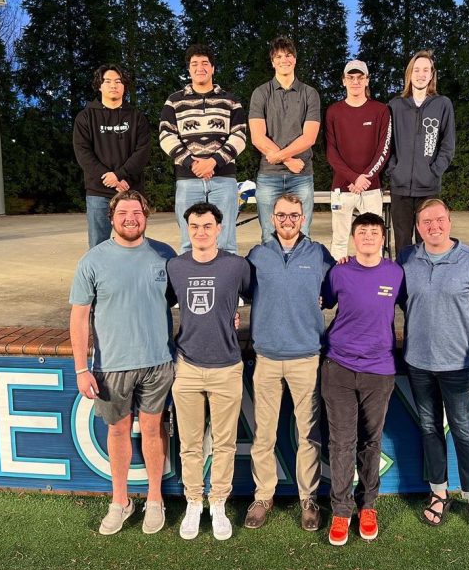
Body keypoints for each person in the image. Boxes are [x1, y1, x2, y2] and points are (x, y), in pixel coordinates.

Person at [69, 190, 176, 535]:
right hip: (111, 365)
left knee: (152, 429)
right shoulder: (93, 260)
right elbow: (79, 317)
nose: (131, 218)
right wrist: (81, 368)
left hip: (158, 362)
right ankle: (120, 501)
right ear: (112, 217)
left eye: (137, 212)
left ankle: (155, 499)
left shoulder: (164, 255)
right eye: (123, 212)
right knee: (117, 430)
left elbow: (185, 299)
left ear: (146, 216)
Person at [399, 198, 469, 536]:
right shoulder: (407, 259)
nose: (434, 227)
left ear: (450, 222)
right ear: (418, 227)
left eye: (439, 220)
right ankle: (438, 492)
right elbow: (385, 292)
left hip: (458, 364)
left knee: (463, 430)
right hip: (418, 363)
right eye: (426, 221)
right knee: (429, 428)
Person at [244, 194, 334, 532]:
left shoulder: (319, 255)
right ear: (272, 217)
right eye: (281, 214)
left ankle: (307, 498)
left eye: (293, 215)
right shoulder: (258, 255)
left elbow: (335, 291)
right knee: (263, 434)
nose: (287, 220)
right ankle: (263, 496)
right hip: (267, 357)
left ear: (303, 217)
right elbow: (243, 293)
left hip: (306, 357)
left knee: (308, 435)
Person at [165, 202, 251, 541]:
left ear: (219, 228)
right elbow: (166, 300)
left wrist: (234, 316)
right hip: (187, 365)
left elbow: (256, 294)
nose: (200, 232)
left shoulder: (236, 266)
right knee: (189, 443)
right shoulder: (176, 266)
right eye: (194, 226)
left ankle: (217, 503)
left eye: (207, 226)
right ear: (188, 229)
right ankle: (192, 501)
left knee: (225, 443)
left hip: (227, 366)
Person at [320, 213, 403, 546]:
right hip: (338, 367)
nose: (368, 236)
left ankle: (367, 506)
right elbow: (324, 301)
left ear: (382, 238)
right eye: (362, 232)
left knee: (371, 441)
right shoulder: (339, 272)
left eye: (374, 231)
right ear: (353, 238)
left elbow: (413, 307)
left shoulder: (396, 274)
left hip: (379, 370)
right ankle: (341, 510)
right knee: (342, 443)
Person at [159, 44, 247, 254]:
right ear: (189, 69)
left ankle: (227, 285)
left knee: (225, 241)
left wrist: (214, 161)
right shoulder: (174, 101)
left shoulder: (231, 100)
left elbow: (240, 136)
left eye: (205, 63)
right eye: (194, 64)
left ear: (213, 68)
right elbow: (165, 135)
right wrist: (192, 163)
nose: (200, 68)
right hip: (188, 178)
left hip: (223, 178)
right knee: (190, 241)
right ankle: (188, 283)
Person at [248, 36, 321, 241]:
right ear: (272, 62)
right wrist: (288, 160)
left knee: (303, 235)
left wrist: (280, 156)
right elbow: (257, 136)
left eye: (288, 55)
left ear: (295, 60)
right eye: (278, 56)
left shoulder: (309, 94)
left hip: (302, 175)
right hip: (269, 176)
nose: (284, 60)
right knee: (269, 236)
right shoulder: (261, 93)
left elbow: (309, 137)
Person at [73, 64, 151, 248]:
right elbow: (83, 152)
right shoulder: (85, 117)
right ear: (99, 86)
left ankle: (133, 276)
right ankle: (100, 278)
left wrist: (120, 175)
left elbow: (143, 151)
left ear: (124, 86)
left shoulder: (136, 117)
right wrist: (110, 178)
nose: (113, 85)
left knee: (134, 241)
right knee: (98, 244)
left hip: (131, 190)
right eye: (107, 81)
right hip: (98, 192)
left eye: (118, 81)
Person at [387, 49, 455, 257]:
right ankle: (404, 286)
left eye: (426, 70)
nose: (421, 74)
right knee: (402, 243)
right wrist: (393, 170)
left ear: (432, 74)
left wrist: (433, 171)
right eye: (416, 69)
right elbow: (387, 145)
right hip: (400, 188)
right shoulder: (395, 105)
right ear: (409, 74)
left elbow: (448, 145)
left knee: (429, 240)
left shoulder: (442, 104)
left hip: (428, 188)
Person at [325, 59, 391, 260]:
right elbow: (331, 152)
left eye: (360, 77)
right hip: (341, 189)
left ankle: (373, 285)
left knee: (374, 241)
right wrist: (354, 178)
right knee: (339, 240)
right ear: (343, 81)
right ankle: (337, 287)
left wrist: (365, 178)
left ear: (367, 80)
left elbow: (384, 150)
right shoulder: (333, 112)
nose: (355, 82)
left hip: (371, 188)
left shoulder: (381, 111)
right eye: (350, 77)